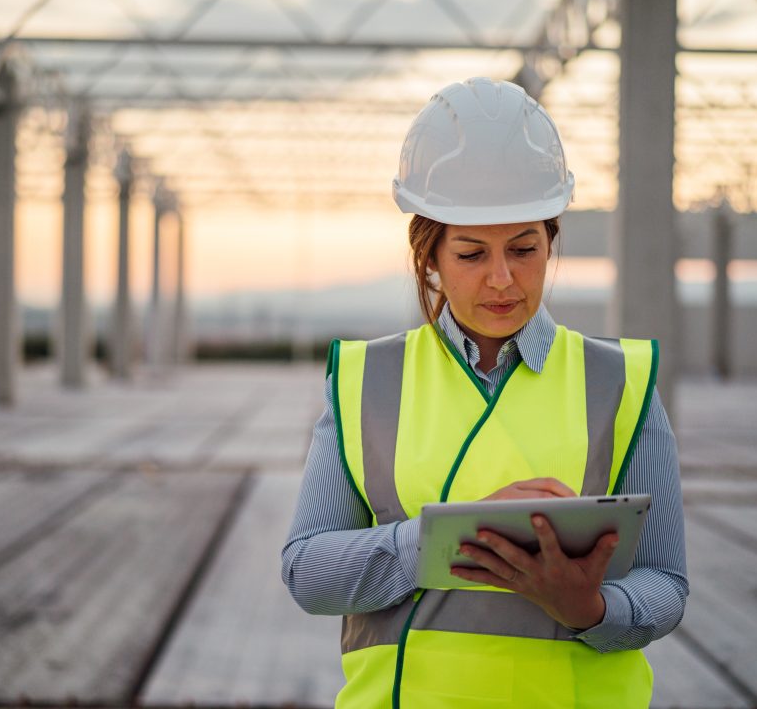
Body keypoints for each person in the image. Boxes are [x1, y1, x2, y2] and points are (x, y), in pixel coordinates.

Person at [281, 77, 688, 709]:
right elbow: (307, 572)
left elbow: (666, 583)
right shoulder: (368, 380)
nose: (503, 279)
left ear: (551, 240)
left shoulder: (620, 382)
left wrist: (592, 606)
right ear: (431, 257)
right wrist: (452, 537)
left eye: (524, 249)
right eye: (472, 254)